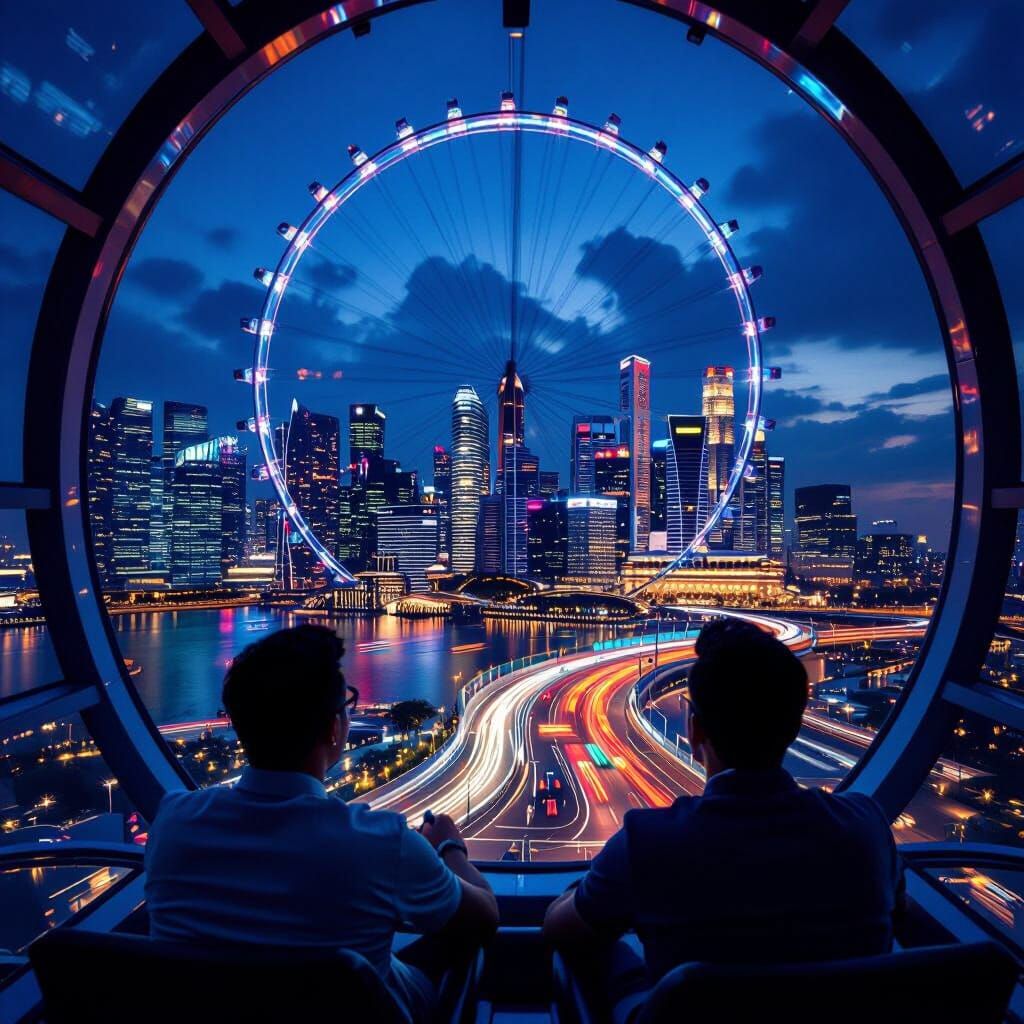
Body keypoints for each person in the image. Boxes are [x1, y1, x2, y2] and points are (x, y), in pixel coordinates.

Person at [543, 619, 904, 1024]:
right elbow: (897, 916)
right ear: (795, 726)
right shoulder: (866, 828)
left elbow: (561, 930)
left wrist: (588, 888)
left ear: (695, 730)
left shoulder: (649, 842)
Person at [145, 625, 498, 1022]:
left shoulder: (173, 823)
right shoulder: (381, 842)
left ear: (239, 723)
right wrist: (450, 847)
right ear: (333, 728)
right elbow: (485, 918)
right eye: (347, 703)